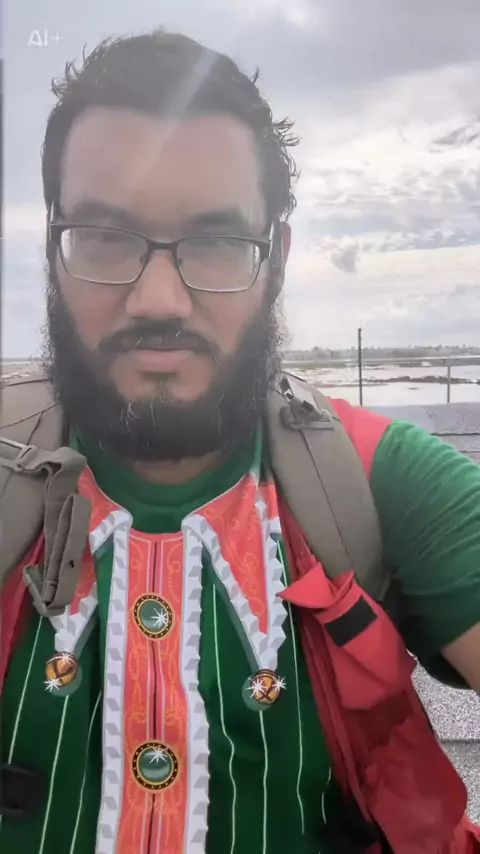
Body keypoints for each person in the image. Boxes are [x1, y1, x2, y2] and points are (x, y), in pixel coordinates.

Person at [0, 28, 479, 854]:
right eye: (106, 237)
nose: (158, 299)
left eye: (218, 243)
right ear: (53, 247)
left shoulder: (388, 481)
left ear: (277, 259)